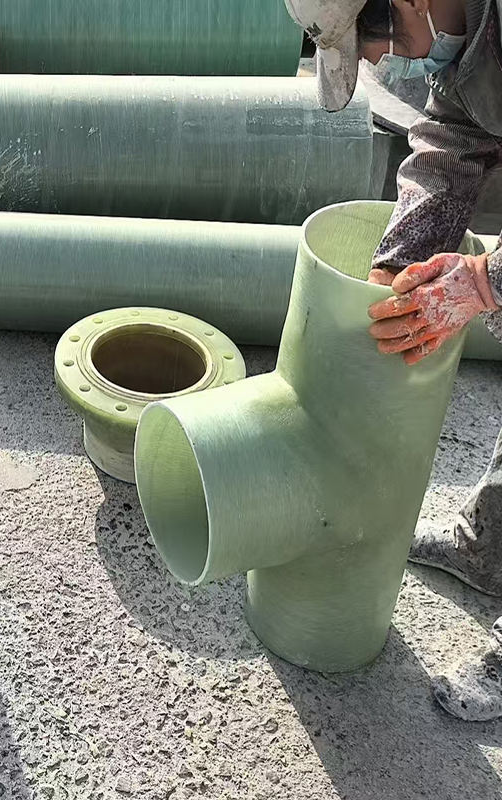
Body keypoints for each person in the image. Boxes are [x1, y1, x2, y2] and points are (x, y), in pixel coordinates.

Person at [284, 0, 502, 720]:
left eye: (373, 37)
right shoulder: (468, 38)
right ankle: (488, 551)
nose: (376, 59)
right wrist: (400, 261)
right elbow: (454, 139)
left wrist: (485, 279)